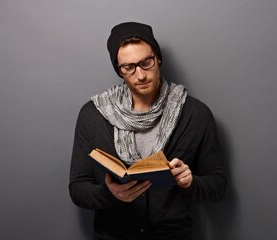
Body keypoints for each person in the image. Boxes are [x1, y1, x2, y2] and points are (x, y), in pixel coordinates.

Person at [69, 22, 226, 240]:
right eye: (128, 67)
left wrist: (191, 182)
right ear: (118, 69)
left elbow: (217, 186)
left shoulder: (195, 114)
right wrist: (109, 194)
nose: (140, 75)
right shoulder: (93, 114)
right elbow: (77, 189)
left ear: (158, 58)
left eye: (146, 62)